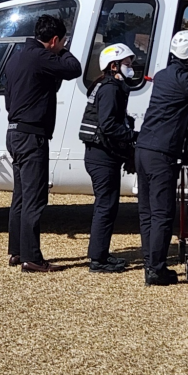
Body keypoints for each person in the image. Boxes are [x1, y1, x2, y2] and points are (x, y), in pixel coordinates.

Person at [4, 14, 81, 273]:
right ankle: (32, 258)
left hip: (13, 131)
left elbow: (8, 98)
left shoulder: (16, 57)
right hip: (31, 134)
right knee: (35, 198)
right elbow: (74, 69)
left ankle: (16, 251)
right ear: (55, 39)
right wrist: (64, 51)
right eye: (61, 41)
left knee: (21, 196)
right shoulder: (41, 56)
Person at [135, 30, 188, 286]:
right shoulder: (186, 80)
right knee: (162, 213)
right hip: (162, 152)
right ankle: (156, 269)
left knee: (147, 212)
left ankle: (150, 262)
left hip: (144, 148)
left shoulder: (165, 75)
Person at [79, 43, 137, 274]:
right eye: (127, 64)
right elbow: (109, 126)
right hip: (101, 157)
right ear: (114, 66)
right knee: (106, 206)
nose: (131, 69)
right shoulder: (110, 89)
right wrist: (135, 136)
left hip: (100, 155)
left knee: (107, 205)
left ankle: (100, 254)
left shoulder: (105, 86)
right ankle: (97, 260)